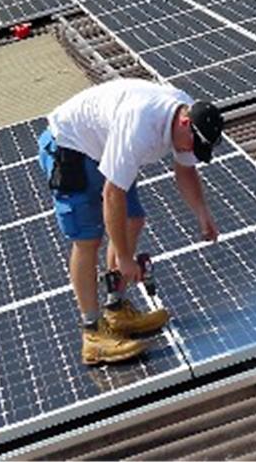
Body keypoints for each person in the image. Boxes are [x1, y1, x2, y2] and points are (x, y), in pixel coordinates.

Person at [37, 79, 224, 365]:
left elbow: (186, 170)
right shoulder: (139, 125)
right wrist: (125, 258)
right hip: (69, 145)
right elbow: (112, 193)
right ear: (185, 123)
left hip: (102, 145)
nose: (191, 150)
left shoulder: (186, 114)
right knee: (88, 239)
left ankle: (116, 307)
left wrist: (202, 213)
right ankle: (92, 334)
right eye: (193, 145)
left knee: (133, 219)